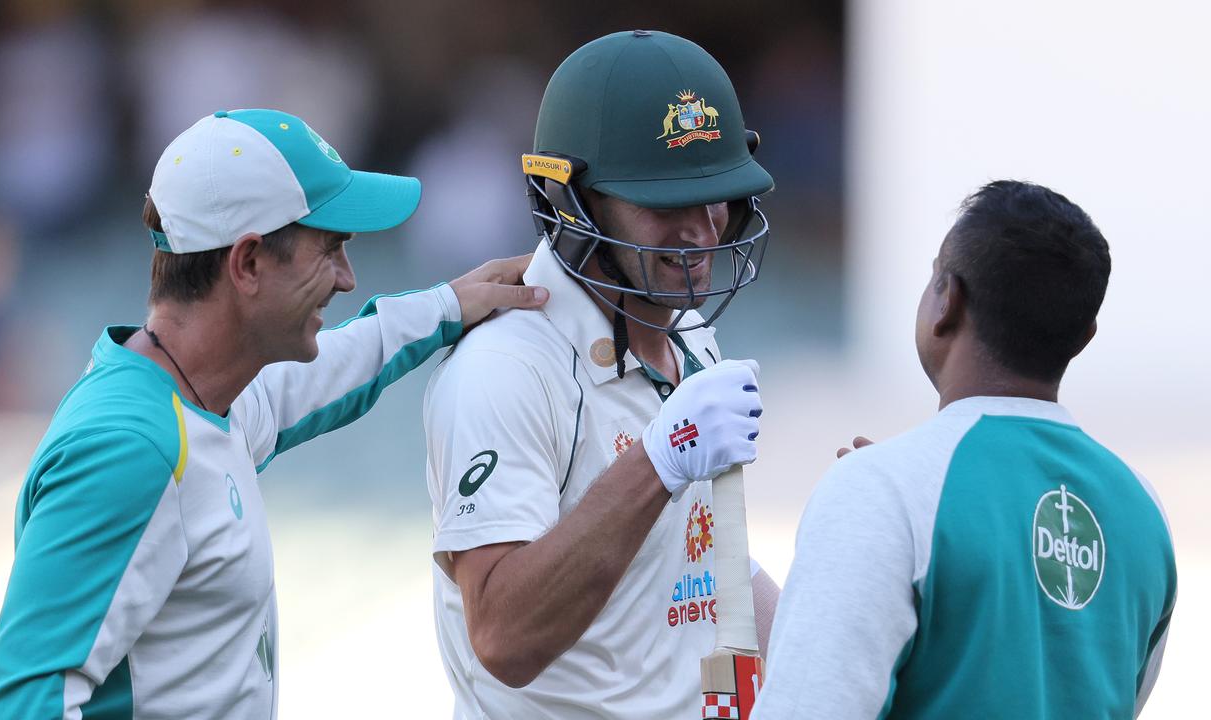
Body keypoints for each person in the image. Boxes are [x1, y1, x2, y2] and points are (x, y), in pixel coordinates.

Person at [0, 108, 547, 719]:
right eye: (329, 248)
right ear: (247, 263)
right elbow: (24, 704)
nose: (348, 278)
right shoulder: (131, 448)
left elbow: (327, 370)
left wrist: (448, 304)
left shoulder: (198, 394)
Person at [424, 31, 778, 718]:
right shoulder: (505, 370)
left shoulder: (690, 334)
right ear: (571, 202)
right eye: (665, 203)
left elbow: (698, 576)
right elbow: (503, 637)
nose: (703, 233)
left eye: (718, 197)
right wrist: (660, 458)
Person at [754, 181, 1177, 718]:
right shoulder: (1143, 510)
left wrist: (889, 502)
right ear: (1085, 334)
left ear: (946, 301)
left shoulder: (880, 490)